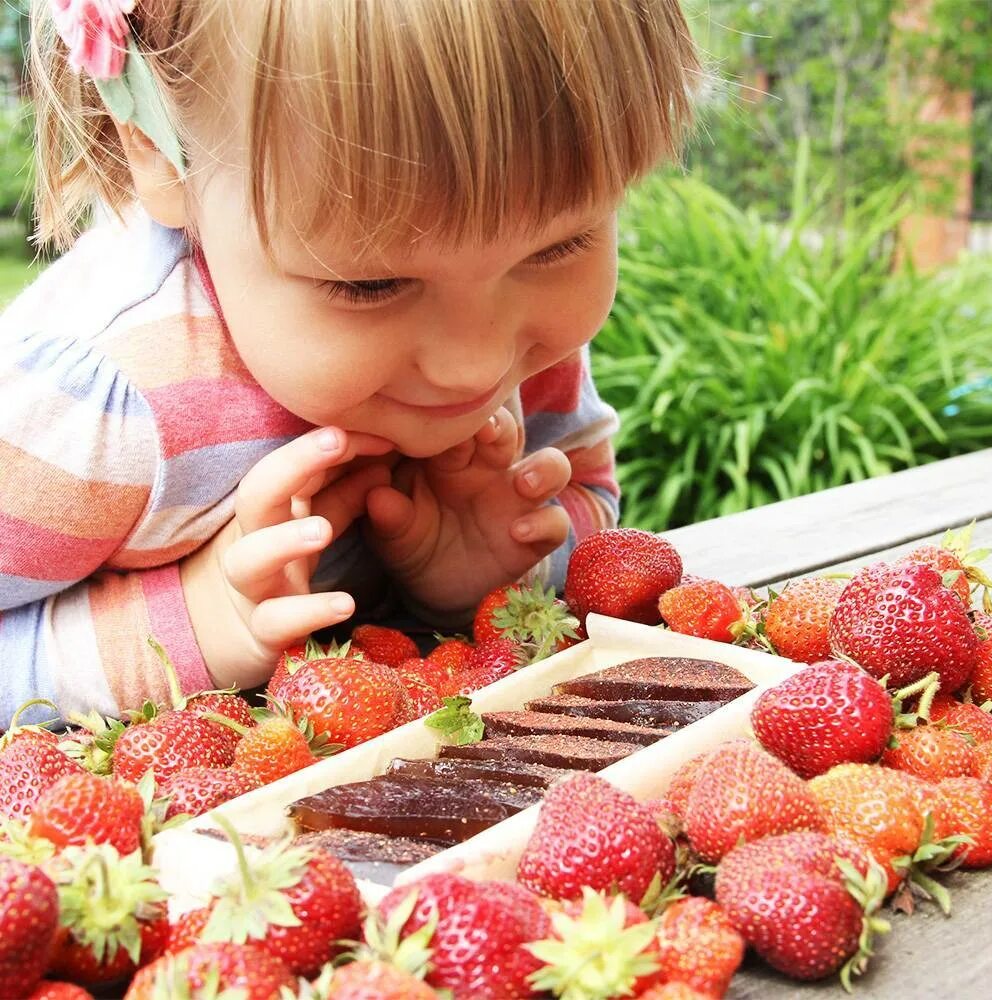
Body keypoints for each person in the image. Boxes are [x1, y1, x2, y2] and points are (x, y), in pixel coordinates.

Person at [0, 0, 699, 728]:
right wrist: (190, 628)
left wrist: (497, 571)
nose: (476, 364)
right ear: (153, 146)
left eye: (558, 247)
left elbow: (590, 496)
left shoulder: (525, 336)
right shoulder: (96, 412)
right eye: (369, 285)